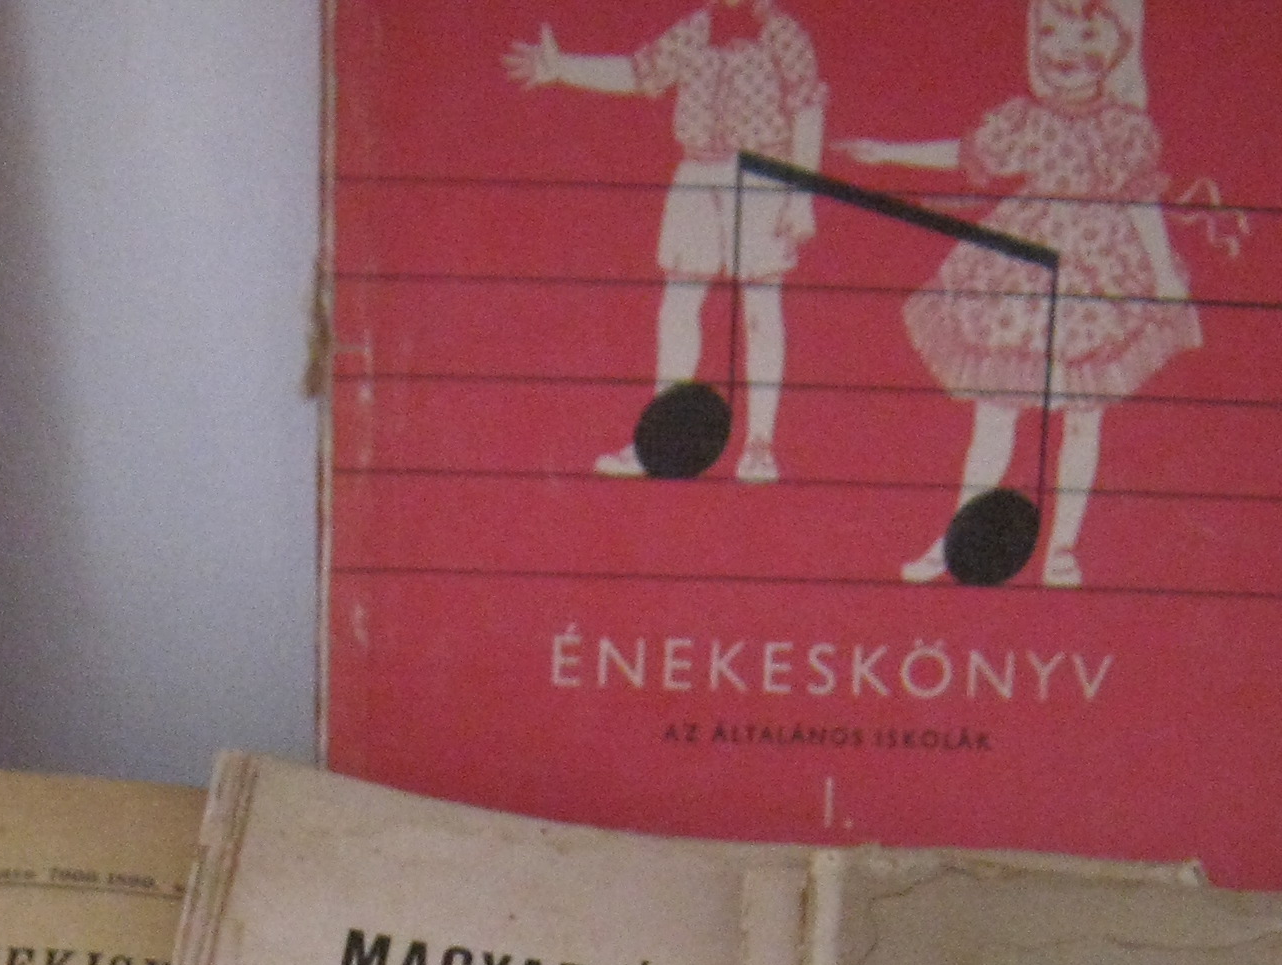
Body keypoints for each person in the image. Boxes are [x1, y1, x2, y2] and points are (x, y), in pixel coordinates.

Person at [840, 0, 1201, 583]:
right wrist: (890, 152)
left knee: (1083, 415)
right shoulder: (1025, 119)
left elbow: (1142, 204)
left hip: (1098, 274)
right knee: (995, 409)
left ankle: (1062, 548)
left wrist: (1162, 279)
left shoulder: (1125, 128)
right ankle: (956, 541)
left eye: (1086, 38)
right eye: (1052, 34)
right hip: (1022, 267)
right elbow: (966, 154)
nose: (1066, 52)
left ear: (1115, 51)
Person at [508, 2, 826, 482]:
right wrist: (564, 68)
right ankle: (659, 442)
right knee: (678, 306)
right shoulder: (696, 27)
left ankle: (760, 445)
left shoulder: (784, 33)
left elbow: (808, 112)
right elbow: (641, 73)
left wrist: (801, 198)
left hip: (763, 174)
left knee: (761, 310)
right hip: (697, 171)